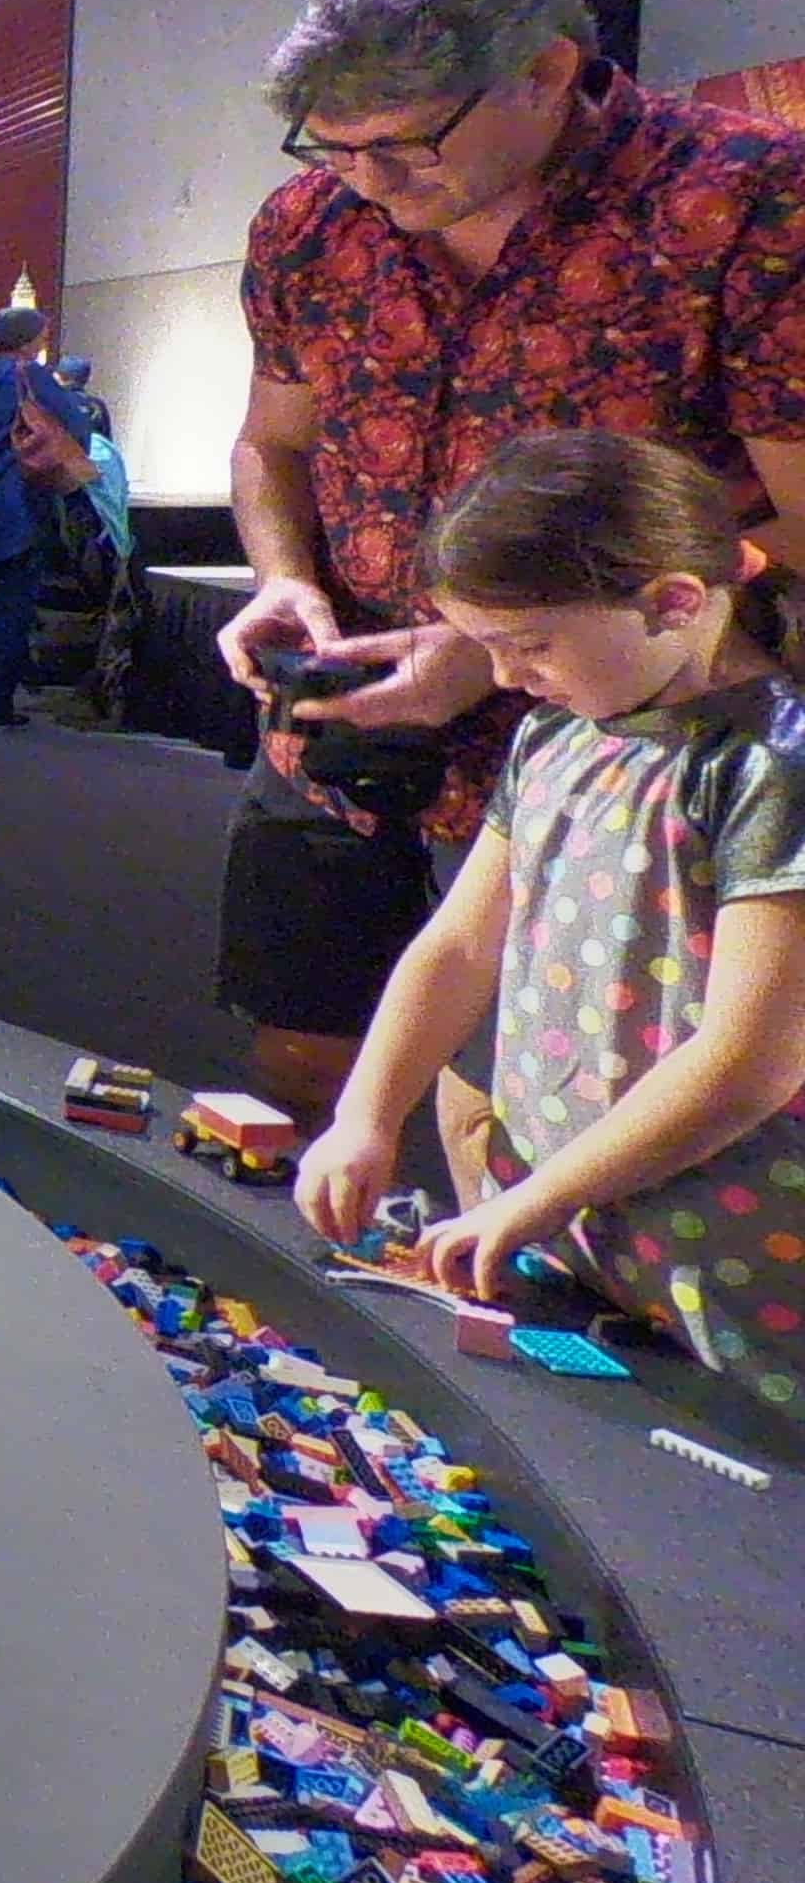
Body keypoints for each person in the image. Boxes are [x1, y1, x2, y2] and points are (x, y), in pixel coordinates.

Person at [214, 0, 805, 1126]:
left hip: (609, 746)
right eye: (331, 146)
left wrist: (488, 655)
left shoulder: (744, 202)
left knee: (522, 1097)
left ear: (544, 70)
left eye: (403, 144)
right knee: (303, 1059)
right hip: (339, 721)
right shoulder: (309, 227)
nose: (369, 184)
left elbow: (794, 524)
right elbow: (273, 445)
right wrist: (284, 578)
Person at [294, 431, 805, 1413]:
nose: (504, 677)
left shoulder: (771, 764)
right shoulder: (556, 730)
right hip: (571, 1218)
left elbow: (750, 1061)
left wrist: (540, 1197)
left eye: (528, 646)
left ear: (673, 603)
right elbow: (458, 947)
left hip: (723, 1247)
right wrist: (366, 1114)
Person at [0, 304, 97, 730]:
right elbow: (75, 425)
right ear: (25, 339)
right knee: (14, 608)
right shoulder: (28, 374)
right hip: (18, 500)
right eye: (41, 336)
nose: (44, 343)